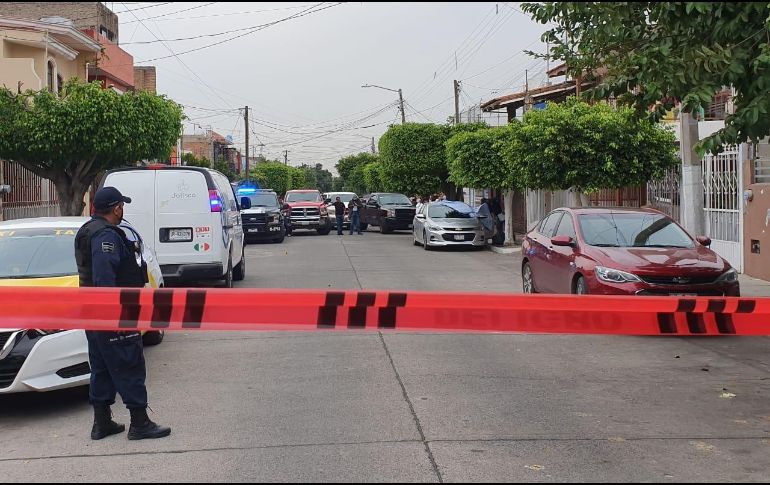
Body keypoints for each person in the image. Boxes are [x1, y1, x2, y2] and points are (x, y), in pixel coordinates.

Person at [74, 187, 171, 441]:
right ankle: (140, 423)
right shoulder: (106, 236)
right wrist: (114, 314)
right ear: (116, 208)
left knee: (102, 367)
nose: (122, 210)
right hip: (114, 312)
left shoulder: (87, 230)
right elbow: (105, 276)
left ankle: (102, 422)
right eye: (121, 206)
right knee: (129, 364)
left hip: (93, 313)